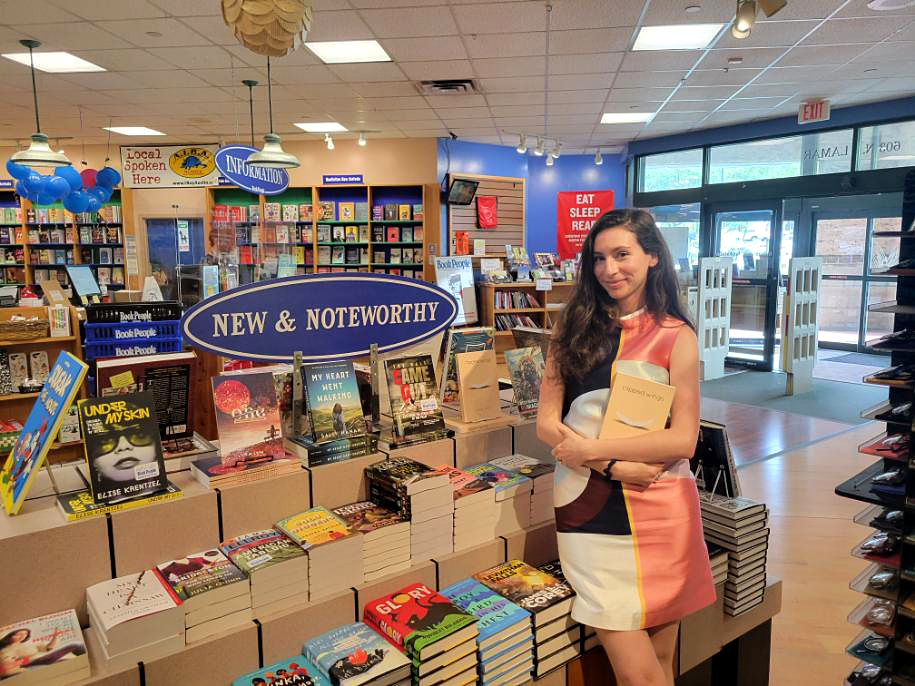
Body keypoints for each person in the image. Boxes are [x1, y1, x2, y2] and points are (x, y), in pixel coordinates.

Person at [536, 208, 715, 686]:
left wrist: (597, 453)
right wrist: (612, 465)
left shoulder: (677, 335)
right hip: (588, 504)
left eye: (621, 255)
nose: (609, 269)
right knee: (638, 673)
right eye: (599, 258)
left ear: (652, 256)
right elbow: (547, 424)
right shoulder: (571, 328)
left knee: (661, 657)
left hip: (662, 502)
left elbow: (684, 439)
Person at [0, 626, 85, 677]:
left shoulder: (29, 644)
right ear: (11, 635)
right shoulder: (4, 647)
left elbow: (48, 648)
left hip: (39, 659)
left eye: (25, 634)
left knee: (76, 644)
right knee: (65, 663)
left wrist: (55, 637)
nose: (22, 636)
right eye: (19, 634)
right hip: (25, 666)